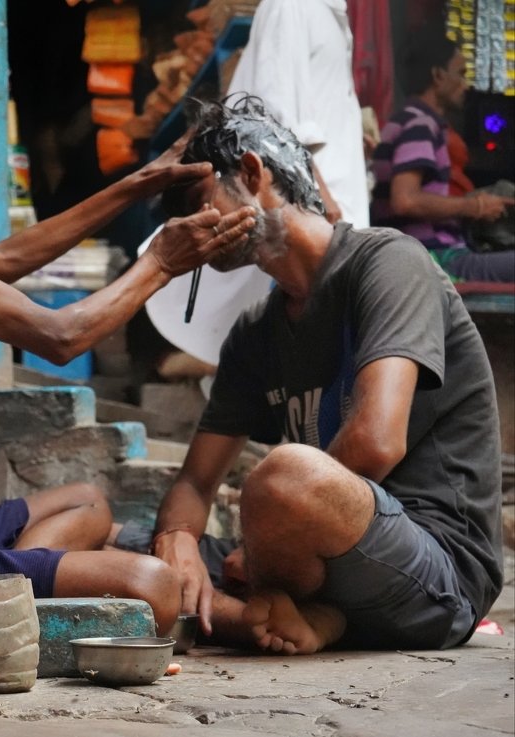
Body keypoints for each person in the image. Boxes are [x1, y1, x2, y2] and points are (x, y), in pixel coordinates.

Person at [0, 31, 257, 636]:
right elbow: (62, 335)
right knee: (154, 586)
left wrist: (135, 184)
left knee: (88, 503)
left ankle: (3, 601)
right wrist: (162, 263)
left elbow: (6, 259)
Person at [142, 95, 503, 654]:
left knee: (284, 477)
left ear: (253, 173)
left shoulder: (389, 261)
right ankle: (311, 616)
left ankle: (279, 605)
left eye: (196, 202)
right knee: (120, 542)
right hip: (333, 557)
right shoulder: (254, 332)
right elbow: (194, 482)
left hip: (440, 572)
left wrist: (260, 543)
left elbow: (377, 442)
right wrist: (177, 540)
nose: (189, 228)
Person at [370, 30, 514, 283]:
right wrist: (474, 207)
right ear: (438, 75)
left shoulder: (404, 119)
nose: (466, 84)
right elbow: (405, 200)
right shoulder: (420, 124)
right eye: (460, 73)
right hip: (437, 258)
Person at [226, 0, 370, 228]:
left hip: (332, 204)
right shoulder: (290, 5)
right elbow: (273, 115)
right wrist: (317, 193)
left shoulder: (330, 14)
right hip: (314, 207)